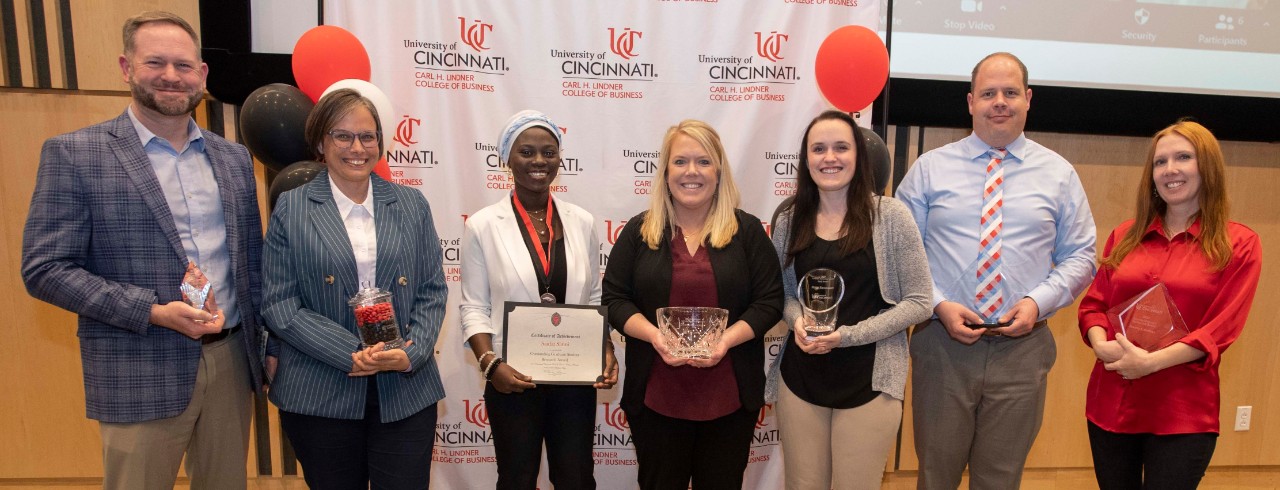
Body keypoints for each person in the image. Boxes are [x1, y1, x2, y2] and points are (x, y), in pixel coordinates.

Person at [20, 11, 265, 489]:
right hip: (137, 363)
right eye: (155, 62)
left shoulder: (233, 157)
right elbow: (45, 269)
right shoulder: (75, 154)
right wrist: (152, 312)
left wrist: (265, 347)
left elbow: (250, 265)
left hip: (232, 360)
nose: (171, 76)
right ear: (126, 68)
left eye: (183, 65)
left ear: (202, 74)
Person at [895, 52, 1098, 489]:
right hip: (942, 345)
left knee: (1000, 480)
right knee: (936, 476)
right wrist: (938, 305)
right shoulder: (929, 169)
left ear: (1028, 99)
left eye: (1010, 92)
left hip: (1022, 351)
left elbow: (1082, 255)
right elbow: (901, 254)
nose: (1000, 102)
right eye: (988, 93)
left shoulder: (1059, 174)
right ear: (971, 102)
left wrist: (1036, 302)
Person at [261, 88, 447, 489]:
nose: (357, 148)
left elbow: (432, 290)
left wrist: (410, 352)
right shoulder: (292, 208)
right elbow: (279, 303)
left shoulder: (412, 204)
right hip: (320, 387)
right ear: (320, 143)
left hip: (405, 389)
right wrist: (352, 352)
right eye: (343, 136)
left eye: (367, 136)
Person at [1077, 120, 1261, 490]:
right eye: (1160, 162)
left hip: (1182, 412)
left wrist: (1150, 363)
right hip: (1111, 402)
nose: (1169, 170)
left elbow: (1220, 328)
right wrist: (1100, 344)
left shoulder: (1239, 244)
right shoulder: (1125, 235)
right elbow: (1093, 305)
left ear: (1207, 167)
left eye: (1183, 158)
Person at [602, 119, 783, 490]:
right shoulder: (639, 232)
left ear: (719, 171)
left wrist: (726, 340)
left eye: (703, 161)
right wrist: (655, 336)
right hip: (655, 399)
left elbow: (770, 301)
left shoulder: (747, 232)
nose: (691, 172)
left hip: (730, 399)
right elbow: (614, 299)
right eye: (680, 161)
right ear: (665, 172)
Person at [767, 110, 932, 490]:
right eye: (818, 149)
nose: (830, 157)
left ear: (858, 155)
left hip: (869, 383)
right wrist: (795, 321)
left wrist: (846, 336)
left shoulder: (891, 217)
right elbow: (782, 294)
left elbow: (920, 301)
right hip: (800, 380)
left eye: (841, 147)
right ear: (806, 159)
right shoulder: (790, 219)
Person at [459, 110, 619, 489]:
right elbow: (473, 307)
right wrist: (490, 364)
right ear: (507, 158)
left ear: (559, 159)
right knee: (516, 479)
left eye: (548, 152)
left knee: (576, 478)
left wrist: (605, 347)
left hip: (573, 377)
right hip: (512, 378)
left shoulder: (582, 221)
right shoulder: (482, 225)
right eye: (526, 152)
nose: (539, 162)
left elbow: (593, 296)